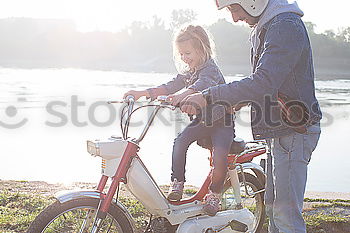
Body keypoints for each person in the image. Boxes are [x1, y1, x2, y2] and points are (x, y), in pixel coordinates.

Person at [180, 0, 322, 232]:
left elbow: (263, 82)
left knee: (286, 217)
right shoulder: (270, 26)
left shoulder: (284, 26)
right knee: (274, 211)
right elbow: (272, 84)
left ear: (253, 2)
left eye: (234, 9)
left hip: (293, 131)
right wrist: (235, 102)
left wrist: (207, 96)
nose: (235, 18)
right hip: (281, 131)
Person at [123, 24, 235, 216]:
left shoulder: (210, 69)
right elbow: (171, 85)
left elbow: (201, 86)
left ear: (202, 49)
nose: (185, 58)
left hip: (222, 121)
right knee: (180, 141)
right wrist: (143, 93)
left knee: (219, 155)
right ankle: (178, 183)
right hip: (203, 121)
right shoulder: (189, 71)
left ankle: (215, 194)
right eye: (181, 54)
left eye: (188, 53)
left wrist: (183, 95)